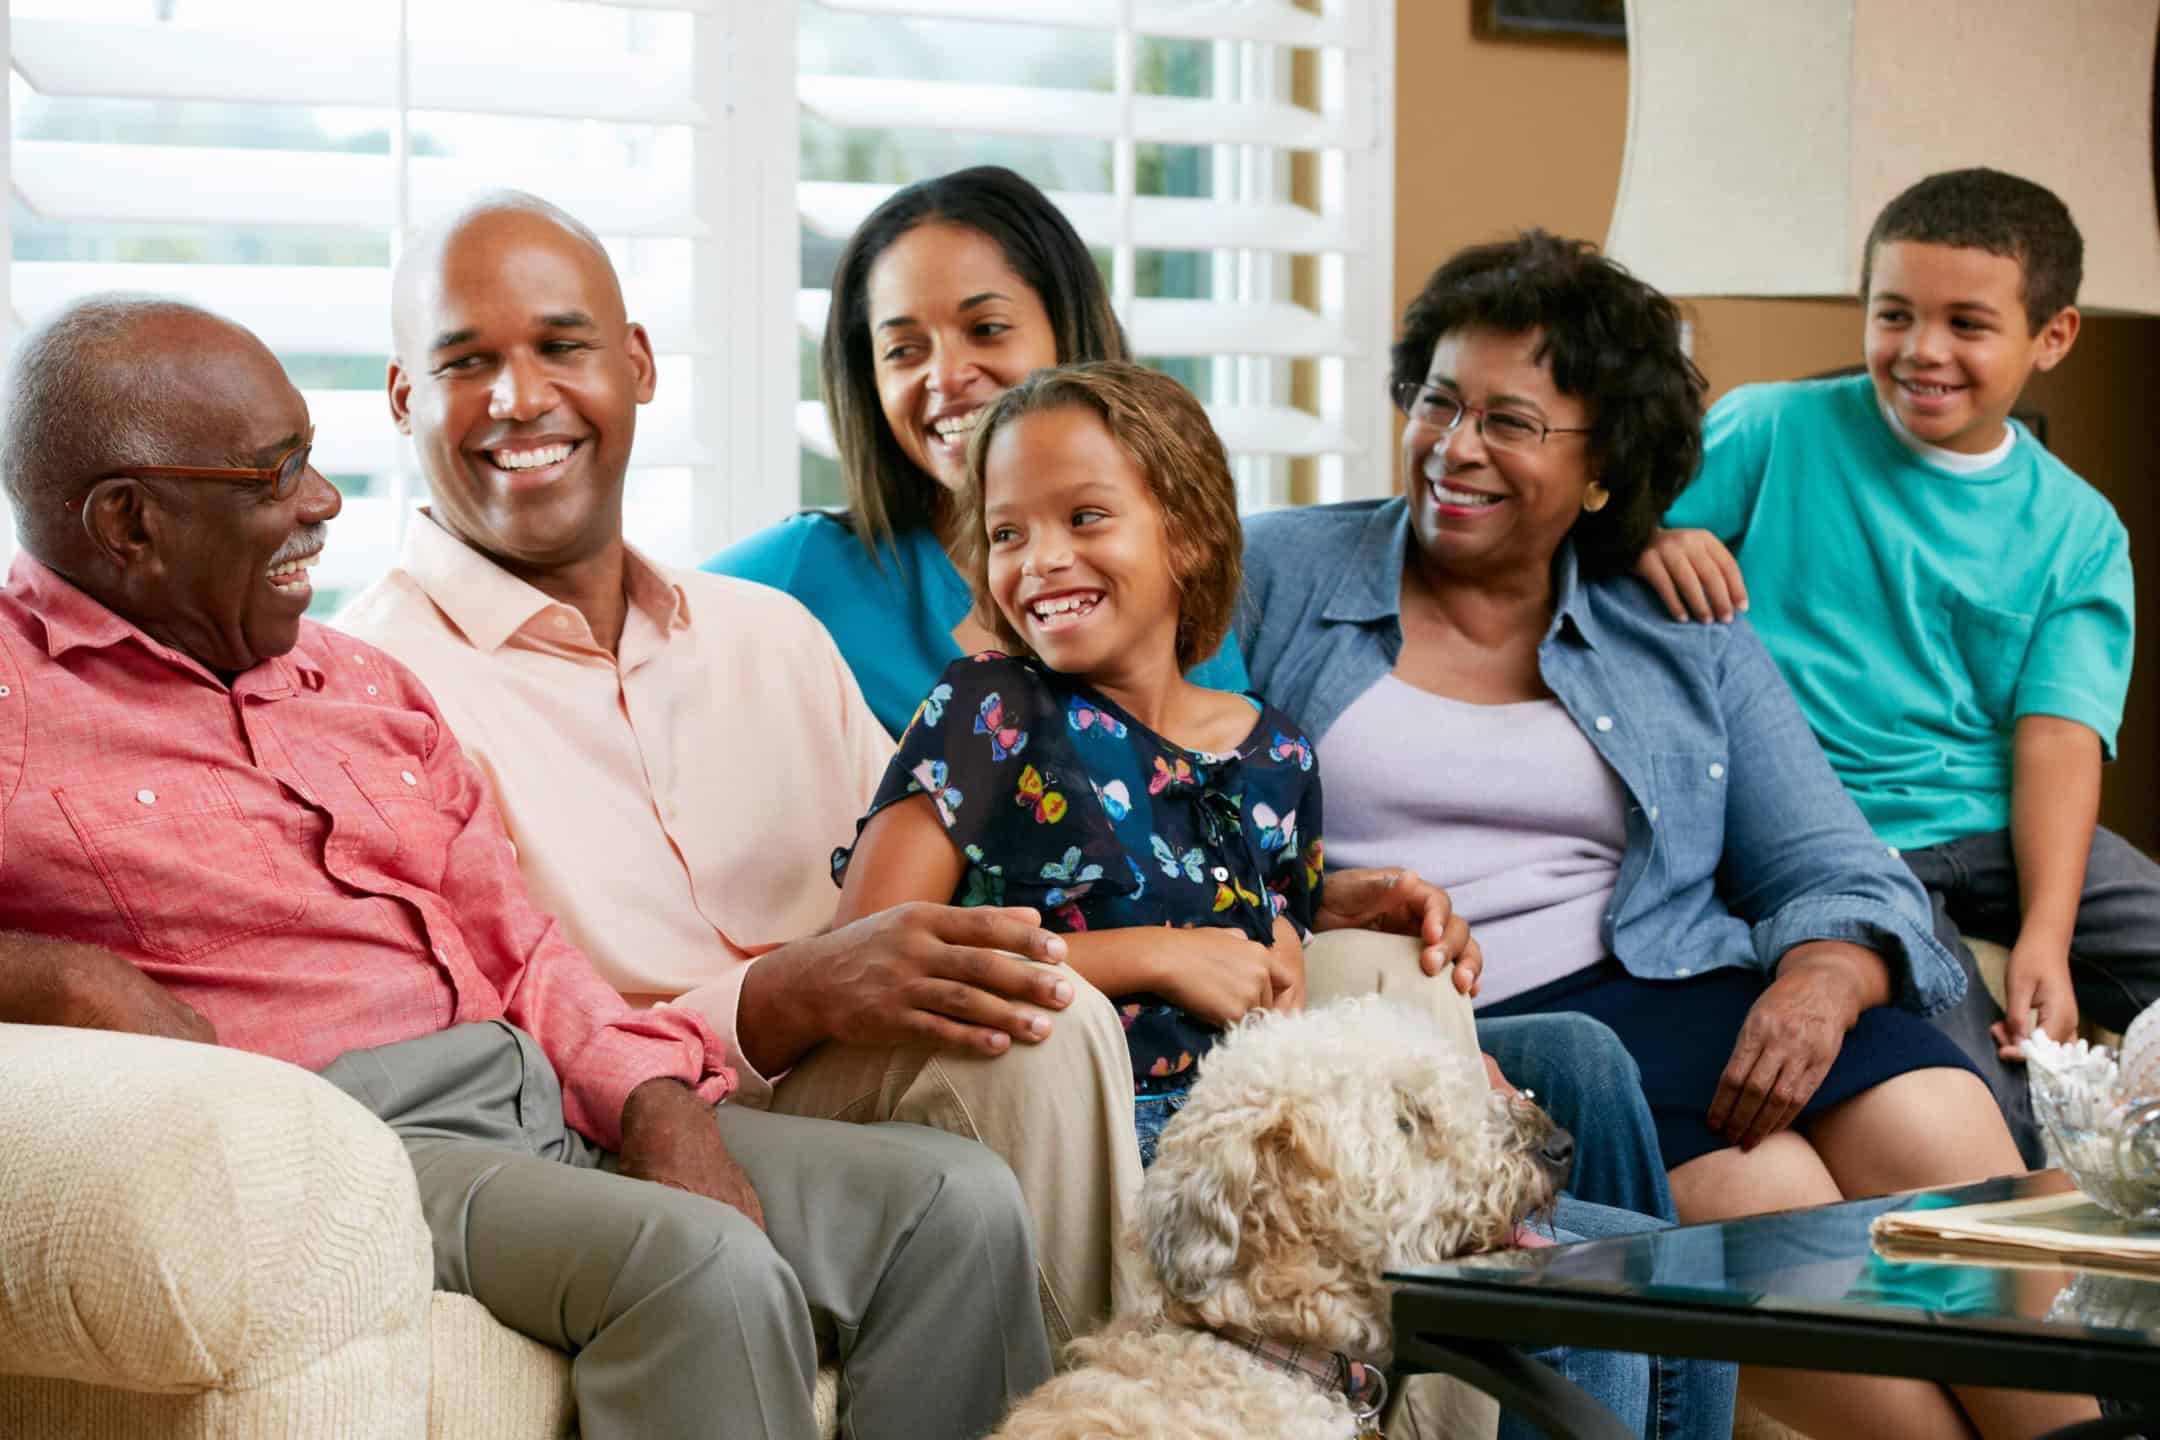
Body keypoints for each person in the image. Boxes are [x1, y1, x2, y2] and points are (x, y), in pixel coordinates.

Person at [339, 191, 1499, 1351]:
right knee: (1037, 1025)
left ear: (636, 364)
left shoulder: (765, 629)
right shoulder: (370, 685)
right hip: (665, 1107)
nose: (522, 397)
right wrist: (793, 994)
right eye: (466, 362)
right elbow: (470, 1039)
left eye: (559, 346)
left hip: (876, 1051)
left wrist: (1273, 896)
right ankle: (1131, 1406)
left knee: (1394, 973)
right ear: (402, 399)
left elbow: (975, 877)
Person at [0, 293, 1052, 1440]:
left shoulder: (358, 682)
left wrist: (658, 1103)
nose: (320, 502)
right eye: (271, 476)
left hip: (532, 1091)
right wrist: (43, 978)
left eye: (310, 454)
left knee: (954, 1206)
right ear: (127, 522)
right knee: (698, 1265)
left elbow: (519, 938)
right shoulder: (17, 697)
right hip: (356, 1146)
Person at [1238, 230, 2091, 1438]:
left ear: (1603, 471)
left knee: (1948, 1133)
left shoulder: (1671, 619)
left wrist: (1825, 979)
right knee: (1780, 1204)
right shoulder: (1275, 577)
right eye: (1439, 402)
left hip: (1681, 982)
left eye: (1512, 422)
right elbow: (1175, 816)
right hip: (1491, 1031)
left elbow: (1832, 861)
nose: (1455, 446)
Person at [831, 359, 1734, 1440]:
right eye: (1009, 532)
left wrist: (1358, 911)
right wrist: (1150, 954)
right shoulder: (985, 710)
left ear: (1193, 538)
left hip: (1295, 1170)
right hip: (1123, 1158)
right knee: (1575, 1306)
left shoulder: (1271, 751)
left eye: (1085, 518)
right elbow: (876, 956)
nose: (1042, 560)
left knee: (1652, 1265)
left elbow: (1276, 947)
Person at [1637, 167, 2151, 1165]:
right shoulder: (1775, 430)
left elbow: (2057, 736)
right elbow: (1616, 536)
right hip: (1839, 838)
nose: (1922, 351)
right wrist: (1652, 538)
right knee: (1965, 1086)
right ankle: (2013, 1267)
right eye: (1894, 314)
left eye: (1967, 323)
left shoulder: (2079, 528)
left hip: (1995, 828)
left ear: (2053, 337)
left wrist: (2047, 932)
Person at [702, 165, 1246, 738]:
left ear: (1067, 328)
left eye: (986, 328)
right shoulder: (800, 574)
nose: (946, 374)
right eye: (904, 350)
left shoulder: (1169, 565)